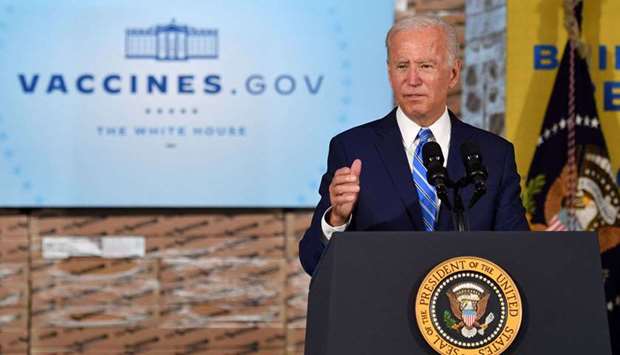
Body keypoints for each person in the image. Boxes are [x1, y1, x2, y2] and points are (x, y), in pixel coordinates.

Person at [299, 15, 529, 276]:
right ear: (389, 73)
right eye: (401, 66)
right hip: (381, 312)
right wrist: (337, 219)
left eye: (426, 66)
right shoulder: (352, 149)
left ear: (453, 73)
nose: (412, 80)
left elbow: (519, 256)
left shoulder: (493, 155)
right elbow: (312, 260)